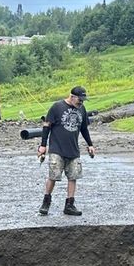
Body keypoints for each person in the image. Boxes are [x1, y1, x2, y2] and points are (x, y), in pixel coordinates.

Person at [37, 86, 96, 216]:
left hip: (73, 149)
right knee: (53, 176)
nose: (81, 102)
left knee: (73, 176)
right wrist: (43, 145)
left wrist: (90, 144)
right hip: (56, 148)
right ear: (72, 96)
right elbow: (46, 126)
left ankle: (69, 205)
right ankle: (46, 202)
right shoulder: (57, 107)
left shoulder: (82, 109)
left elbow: (84, 129)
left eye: (83, 100)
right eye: (80, 99)